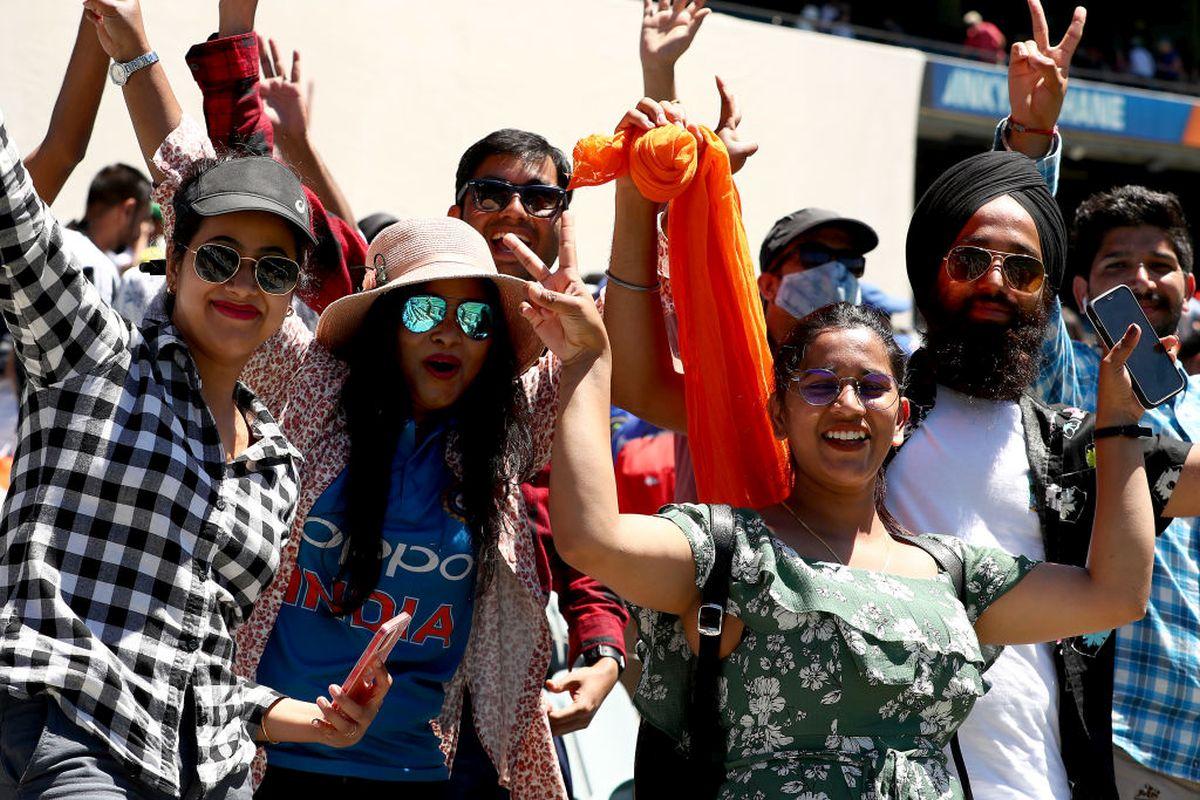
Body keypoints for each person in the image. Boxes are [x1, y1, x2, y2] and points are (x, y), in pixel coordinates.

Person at [515, 225, 1170, 798]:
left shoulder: (953, 573)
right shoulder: (729, 551)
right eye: (821, 386)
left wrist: (1117, 425)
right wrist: (585, 363)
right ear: (779, 413)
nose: (849, 405)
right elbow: (591, 538)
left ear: (902, 417)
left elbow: (1114, 593)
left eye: (873, 387)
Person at [0, 0, 394, 794]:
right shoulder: (89, 349)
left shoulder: (276, 461)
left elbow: (201, 666)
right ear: (173, 261)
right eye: (221, 257)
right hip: (66, 733)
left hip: (203, 774)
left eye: (274, 270)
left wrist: (312, 719)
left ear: (294, 299)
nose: (245, 284)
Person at [889, 147, 1199, 800]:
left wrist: (1119, 419)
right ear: (929, 269)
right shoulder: (862, 408)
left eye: (1023, 271)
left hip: (1038, 778)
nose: (995, 283)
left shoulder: (1073, 441)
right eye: (970, 260)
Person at [238, 216, 553, 799]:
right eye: (424, 312)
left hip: (418, 774)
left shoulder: (504, 432)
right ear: (386, 325)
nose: (450, 334)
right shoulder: (313, 387)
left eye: (477, 320)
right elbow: (201, 209)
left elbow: (613, 353)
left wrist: (657, 191)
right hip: (266, 762)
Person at [1037, 185, 1200, 799]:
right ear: (1080, 293)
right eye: (1116, 267)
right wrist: (1031, 142)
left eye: (1160, 265)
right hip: (1119, 737)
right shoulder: (1064, 379)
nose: (1141, 279)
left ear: (1190, 286)